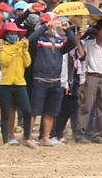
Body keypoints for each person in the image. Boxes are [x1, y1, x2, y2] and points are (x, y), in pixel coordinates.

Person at [27, 13, 76, 146]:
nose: (52, 25)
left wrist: (67, 29)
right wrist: (44, 27)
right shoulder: (39, 39)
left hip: (56, 80)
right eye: (50, 23)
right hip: (40, 79)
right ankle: (28, 138)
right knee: (34, 111)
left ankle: (45, 138)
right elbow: (30, 40)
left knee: (51, 111)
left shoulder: (60, 41)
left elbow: (72, 43)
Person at [76, 19, 102, 144]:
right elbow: (84, 60)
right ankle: (80, 134)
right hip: (92, 76)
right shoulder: (89, 43)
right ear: (96, 30)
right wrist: (82, 81)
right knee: (87, 107)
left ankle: (96, 135)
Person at [0, 22, 35, 147]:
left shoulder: (19, 47)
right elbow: (5, 61)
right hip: (5, 83)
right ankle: (6, 140)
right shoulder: (1, 46)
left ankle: (27, 138)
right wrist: (16, 47)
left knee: (27, 111)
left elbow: (27, 63)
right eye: (11, 33)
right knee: (6, 113)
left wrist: (24, 49)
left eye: (16, 33)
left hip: (20, 83)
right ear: (6, 34)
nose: (14, 35)